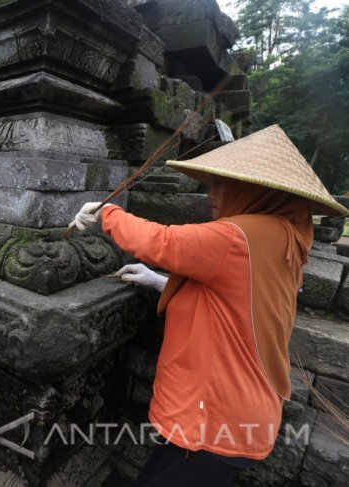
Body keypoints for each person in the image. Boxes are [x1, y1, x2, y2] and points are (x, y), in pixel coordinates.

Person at [69, 125, 348, 486]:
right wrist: (160, 281)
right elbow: (237, 299)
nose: (210, 193)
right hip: (244, 414)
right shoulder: (285, 235)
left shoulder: (239, 236)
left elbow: (162, 242)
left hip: (213, 419)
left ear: (254, 188)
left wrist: (108, 215)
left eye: (222, 183)